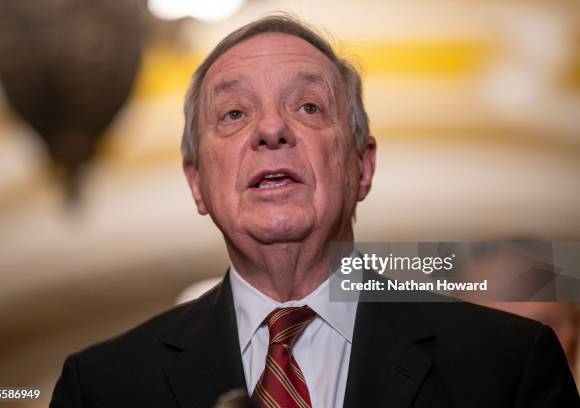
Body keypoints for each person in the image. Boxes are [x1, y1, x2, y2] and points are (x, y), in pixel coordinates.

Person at [50, 15, 579, 408]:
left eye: (308, 107)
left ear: (362, 166)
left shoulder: (506, 364)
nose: (271, 130)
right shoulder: (102, 387)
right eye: (234, 113)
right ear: (198, 184)